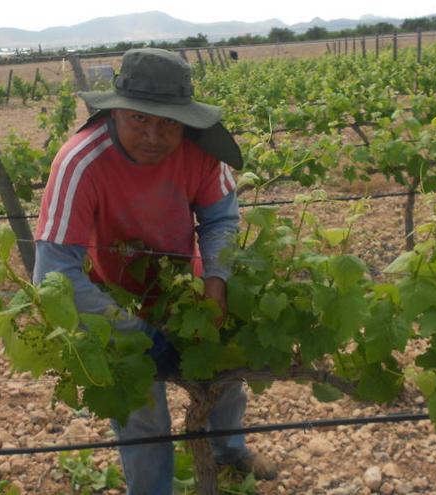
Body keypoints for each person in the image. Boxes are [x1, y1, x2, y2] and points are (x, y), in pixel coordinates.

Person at [32, 48, 277, 494]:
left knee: (225, 378)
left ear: (185, 119)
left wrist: (216, 284)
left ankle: (230, 455)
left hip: (187, 287)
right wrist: (137, 332)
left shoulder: (200, 150)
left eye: (167, 122)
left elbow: (221, 219)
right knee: (144, 415)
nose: (153, 134)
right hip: (112, 295)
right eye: (139, 119)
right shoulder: (79, 163)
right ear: (116, 110)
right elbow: (54, 276)